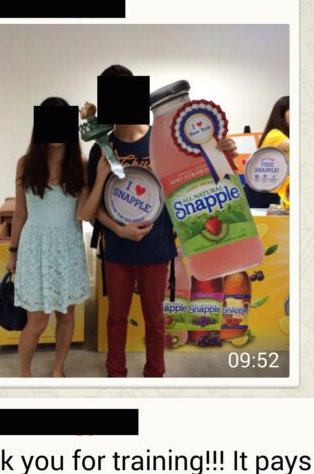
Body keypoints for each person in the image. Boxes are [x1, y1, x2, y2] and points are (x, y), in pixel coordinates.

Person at [79, 65, 237, 378]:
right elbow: (93, 208)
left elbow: (200, 180)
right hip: (117, 250)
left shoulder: (164, 140)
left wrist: (222, 153)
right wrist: (119, 229)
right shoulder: (101, 149)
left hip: (156, 248)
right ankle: (115, 374)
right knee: (116, 319)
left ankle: (155, 375)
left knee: (155, 320)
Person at [7, 97, 90, 378]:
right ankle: (24, 373)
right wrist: (12, 252)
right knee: (37, 322)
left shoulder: (80, 165)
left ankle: (58, 369)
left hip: (67, 247)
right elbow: (20, 212)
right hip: (34, 247)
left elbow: (85, 211)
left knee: (66, 317)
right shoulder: (25, 164)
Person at [258, 95, 290, 205]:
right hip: (263, 193)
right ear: (281, 113)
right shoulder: (275, 134)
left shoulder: (283, 135)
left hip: (275, 190)